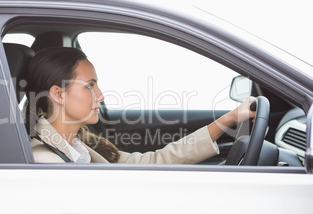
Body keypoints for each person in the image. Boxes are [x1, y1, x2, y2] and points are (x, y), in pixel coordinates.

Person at [24, 47, 256, 163]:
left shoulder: (80, 145)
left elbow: (151, 162)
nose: (101, 95)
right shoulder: (46, 159)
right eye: (89, 86)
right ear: (58, 94)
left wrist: (228, 119)